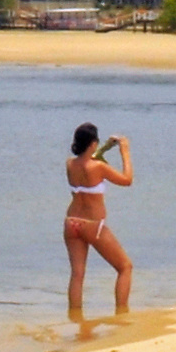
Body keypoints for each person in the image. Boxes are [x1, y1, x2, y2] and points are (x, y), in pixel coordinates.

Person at [63, 120, 134, 321]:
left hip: (71, 222)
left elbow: (88, 159)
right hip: (92, 225)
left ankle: (75, 319)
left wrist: (106, 147)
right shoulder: (98, 167)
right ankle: (122, 315)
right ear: (93, 143)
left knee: (77, 274)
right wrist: (124, 151)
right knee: (125, 267)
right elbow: (127, 180)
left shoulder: (70, 164)